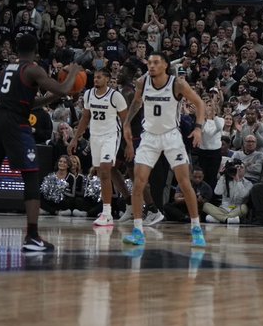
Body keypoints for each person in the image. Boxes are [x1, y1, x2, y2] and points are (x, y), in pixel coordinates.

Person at [0, 33, 81, 253]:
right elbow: (63, 89)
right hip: (15, 123)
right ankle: (32, 236)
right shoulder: (33, 69)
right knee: (31, 175)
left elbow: (28, 102)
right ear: (36, 50)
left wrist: (53, 97)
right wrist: (73, 72)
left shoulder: (9, 68)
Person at [123, 52, 208, 248]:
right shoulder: (142, 83)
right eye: (149, 63)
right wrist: (127, 123)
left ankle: (196, 229)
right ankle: (137, 231)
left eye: (156, 62)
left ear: (165, 65)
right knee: (138, 183)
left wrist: (198, 128)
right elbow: (137, 102)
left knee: (184, 183)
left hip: (171, 136)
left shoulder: (177, 84)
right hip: (149, 137)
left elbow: (199, 103)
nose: (151, 66)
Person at [68, 67, 132, 227]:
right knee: (102, 172)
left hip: (111, 136)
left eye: (99, 77)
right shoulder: (89, 94)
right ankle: (117, 207)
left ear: (107, 79)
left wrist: (129, 144)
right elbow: (85, 118)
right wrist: (75, 138)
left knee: (105, 170)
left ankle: (107, 213)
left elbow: (126, 122)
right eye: (95, 77)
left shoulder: (116, 96)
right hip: (95, 137)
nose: (95, 79)